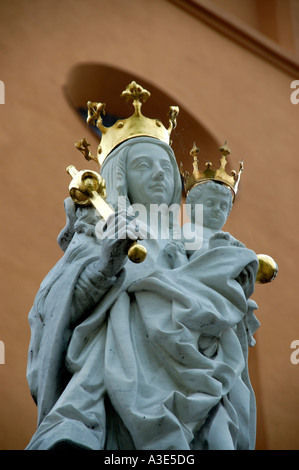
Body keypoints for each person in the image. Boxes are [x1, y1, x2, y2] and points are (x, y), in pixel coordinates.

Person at [26, 136, 259, 450]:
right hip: (113, 372)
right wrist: (106, 266)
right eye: (143, 165)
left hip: (194, 370)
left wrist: (233, 290)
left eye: (165, 166)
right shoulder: (103, 229)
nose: (160, 173)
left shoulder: (192, 240)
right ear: (120, 177)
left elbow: (216, 303)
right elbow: (55, 307)